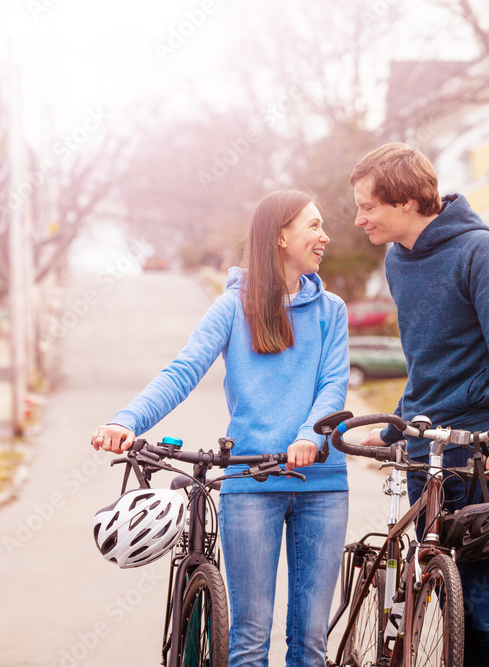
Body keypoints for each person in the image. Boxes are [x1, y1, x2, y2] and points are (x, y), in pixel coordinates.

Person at [91, 189, 350, 667]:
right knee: (249, 641)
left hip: (322, 484)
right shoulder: (233, 307)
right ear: (280, 237)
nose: (324, 236)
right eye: (313, 226)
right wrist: (126, 420)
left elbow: (333, 387)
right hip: (250, 485)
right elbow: (183, 371)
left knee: (310, 645)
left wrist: (310, 438)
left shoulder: (331, 310)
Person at [350, 142, 489, 666]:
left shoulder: (482, 253)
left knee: (487, 609)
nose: (359, 218)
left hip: (482, 449)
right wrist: (392, 431)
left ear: (406, 201)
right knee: (436, 600)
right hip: (425, 449)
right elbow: (426, 363)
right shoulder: (396, 260)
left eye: (368, 206)